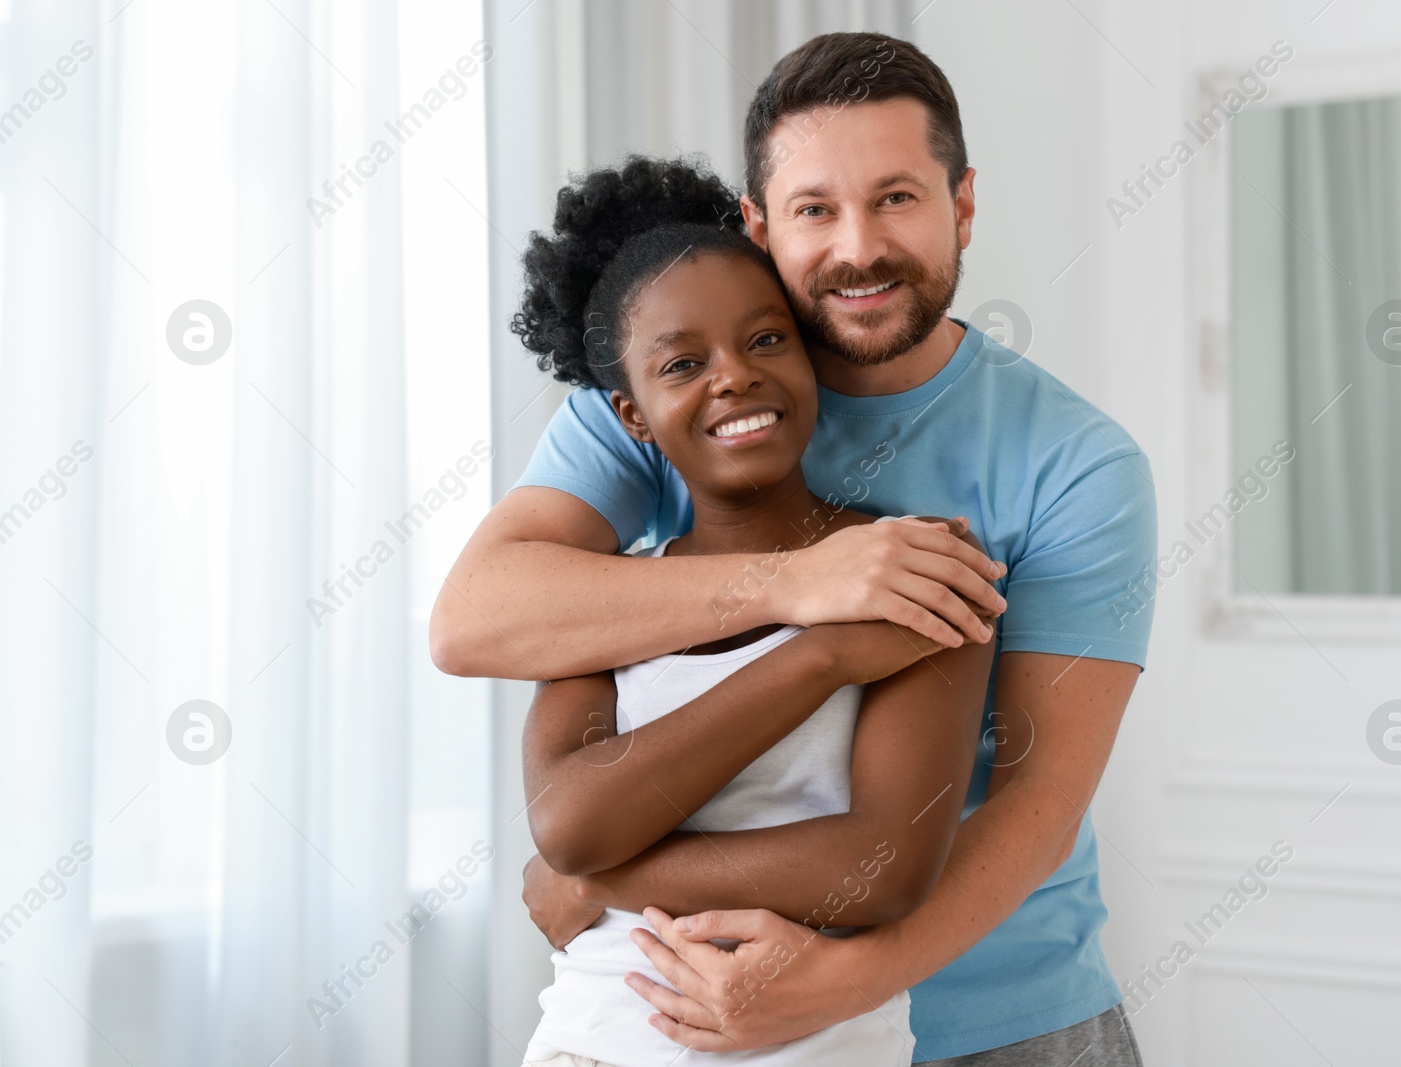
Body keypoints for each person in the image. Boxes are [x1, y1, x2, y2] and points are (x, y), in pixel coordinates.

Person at [432, 30, 1157, 1067]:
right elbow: (473, 618)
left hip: (1004, 1020)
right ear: (759, 223)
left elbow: (1038, 803)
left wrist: (829, 974)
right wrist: (804, 588)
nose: (857, 246)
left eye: (897, 197)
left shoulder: (1074, 463)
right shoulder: (674, 394)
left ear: (960, 204)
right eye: (816, 208)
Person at [512, 156, 996, 1067]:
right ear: (633, 416)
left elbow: (883, 868)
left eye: (765, 340)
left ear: (809, 352)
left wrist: (605, 873)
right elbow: (569, 822)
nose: (731, 377)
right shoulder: (604, 599)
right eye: (683, 363)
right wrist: (816, 661)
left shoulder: (920, 564)